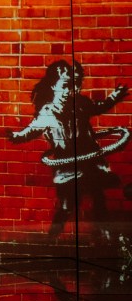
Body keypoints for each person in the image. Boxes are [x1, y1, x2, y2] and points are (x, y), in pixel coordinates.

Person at [8, 60, 128, 236]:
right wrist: (15, 136)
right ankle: (52, 238)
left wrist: (113, 97)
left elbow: (98, 107)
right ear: (53, 86)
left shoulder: (80, 104)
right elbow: (30, 131)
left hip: (90, 164)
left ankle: (107, 235)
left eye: (71, 86)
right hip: (67, 169)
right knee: (66, 207)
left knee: (99, 199)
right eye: (64, 86)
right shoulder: (47, 113)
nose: (68, 91)